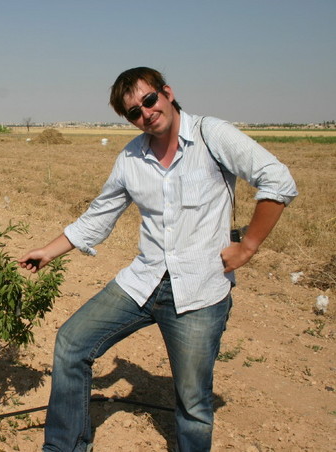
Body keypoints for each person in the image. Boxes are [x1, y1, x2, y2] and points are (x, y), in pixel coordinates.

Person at [18, 67, 298, 452]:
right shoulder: (132, 157)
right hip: (143, 281)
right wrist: (48, 251)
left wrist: (247, 246)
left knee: (193, 401)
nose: (145, 113)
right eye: (134, 111)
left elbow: (278, 180)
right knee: (71, 343)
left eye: (149, 100)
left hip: (200, 290)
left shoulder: (210, 135)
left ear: (167, 93)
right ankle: (63, 447)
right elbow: (99, 216)